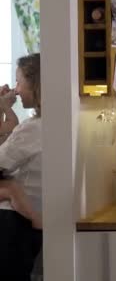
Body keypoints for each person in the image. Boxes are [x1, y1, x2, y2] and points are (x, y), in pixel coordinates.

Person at [0, 53, 43, 280]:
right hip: (29, 223)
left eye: (19, 82)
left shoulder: (33, 129)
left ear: (34, 84)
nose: (16, 89)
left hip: (13, 224)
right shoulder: (45, 125)